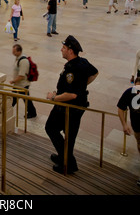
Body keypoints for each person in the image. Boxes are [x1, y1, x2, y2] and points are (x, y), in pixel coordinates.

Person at [45, 35, 98, 174]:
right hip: (78, 106)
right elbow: (95, 72)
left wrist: (54, 97)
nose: (61, 50)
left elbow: (72, 94)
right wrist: (82, 85)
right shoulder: (83, 62)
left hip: (68, 107)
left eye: (63, 48)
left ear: (70, 51)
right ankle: (64, 158)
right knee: (70, 135)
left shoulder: (72, 69)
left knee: (51, 128)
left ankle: (69, 164)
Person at [117, 77, 140, 186]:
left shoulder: (130, 92)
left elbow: (121, 108)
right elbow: (121, 107)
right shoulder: (130, 92)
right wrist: (124, 124)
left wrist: (125, 124)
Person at [10, 44, 37, 118]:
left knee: (15, 99)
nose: (13, 53)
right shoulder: (18, 58)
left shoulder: (23, 61)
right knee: (25, 99)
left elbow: (21, 76)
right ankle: (32, 112)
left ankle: (7, 111)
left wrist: (13, 81)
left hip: (22, 85)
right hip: (19, 85)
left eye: (14, 51)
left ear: (19, 51)